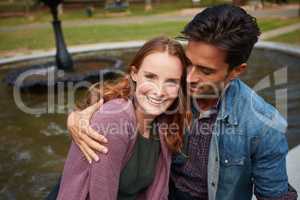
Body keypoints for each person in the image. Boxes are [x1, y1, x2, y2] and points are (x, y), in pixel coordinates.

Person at [61, 4, 298, 200]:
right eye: (189, 63)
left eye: (205, 71)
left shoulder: (262, 125)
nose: (190, 77)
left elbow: (275, 196)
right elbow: (128, 90)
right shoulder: (172, 87)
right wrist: (79, 116)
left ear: (237, 71)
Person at [56, 37, 192, 200]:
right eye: (150, 77)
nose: (159, 91)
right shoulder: (115, 119)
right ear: (134, 74)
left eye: (171, 81)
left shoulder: (162, 124)